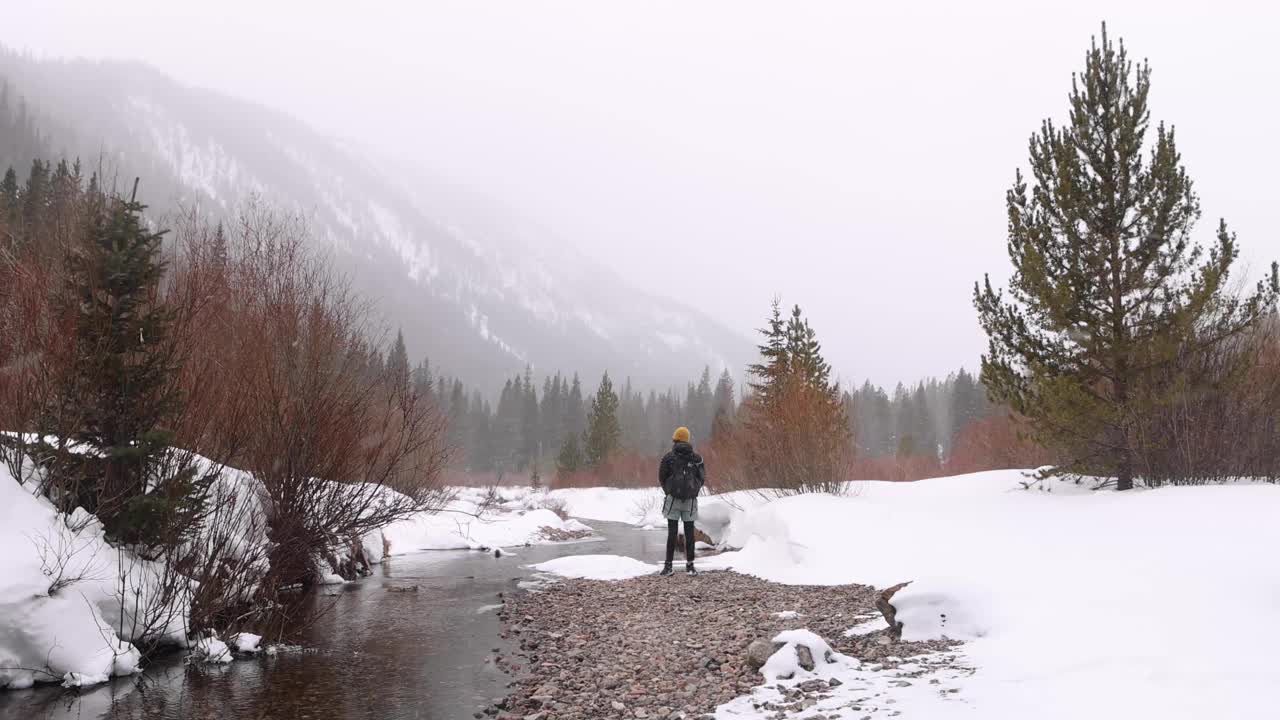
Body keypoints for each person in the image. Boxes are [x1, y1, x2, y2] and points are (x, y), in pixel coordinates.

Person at [658, 426, 706, 576]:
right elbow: (701, 478)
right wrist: (694, 490)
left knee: (672, 532)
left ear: (676, 440)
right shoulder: (697, 458)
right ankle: (690, 566)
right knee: (689, 532)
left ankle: (668, 567)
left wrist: (669, 491)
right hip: (690, 501)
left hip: (673, 499)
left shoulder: (669, 457)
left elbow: (662, 476)